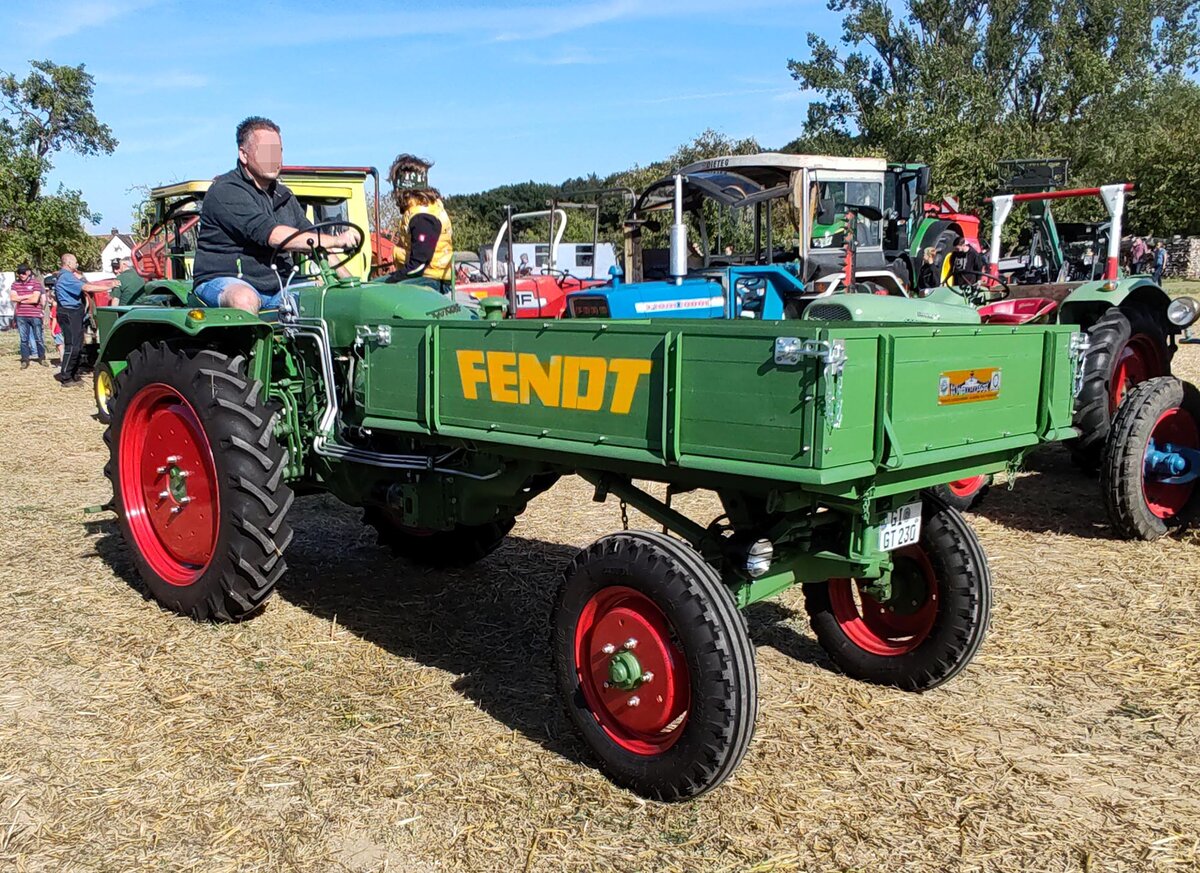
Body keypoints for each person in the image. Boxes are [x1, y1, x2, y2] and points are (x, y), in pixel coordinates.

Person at [192, 116, 360, 313]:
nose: (274, 159)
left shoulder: (284, 196)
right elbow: (272, 235)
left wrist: (352, 286)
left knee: (325, 298)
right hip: (227, 279)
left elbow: (313, 244)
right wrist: (337, 240)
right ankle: (246, 344)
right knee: (244, 299)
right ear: (243, 155)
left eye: (277, 151)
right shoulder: (226, 190)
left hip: (277, 284)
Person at [384, 153, 454, 293]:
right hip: (429, 277)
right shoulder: (418, 211)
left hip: (433, 281)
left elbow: (418, 265)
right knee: (376, 285)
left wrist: (391, 280)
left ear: (400, 188)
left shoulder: (422, 217)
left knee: (378, 292)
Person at [52, 253, 86, 386]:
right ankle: (66, 377)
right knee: (72, 346)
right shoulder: (66, 277)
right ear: (69, 263)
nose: (77, 265)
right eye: (76, 262)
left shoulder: (68, 276)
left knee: (77, 345)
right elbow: (86, 287)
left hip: (74, 312)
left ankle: (73, 374)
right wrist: (108, 285)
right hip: (69, 312)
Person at [9, 265, 46, 368]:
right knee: (23, 339)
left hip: (35, 314)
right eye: (20, 273)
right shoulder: (15, 284)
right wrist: (28, 296)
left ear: (29, 272)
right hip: (21, 315)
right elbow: (12, 298)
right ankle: (25, 359)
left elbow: (35, 299)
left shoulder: (36, 283)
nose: (21, 275)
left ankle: (42, 357)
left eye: (24, 272)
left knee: (39, 338)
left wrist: (20, 298)